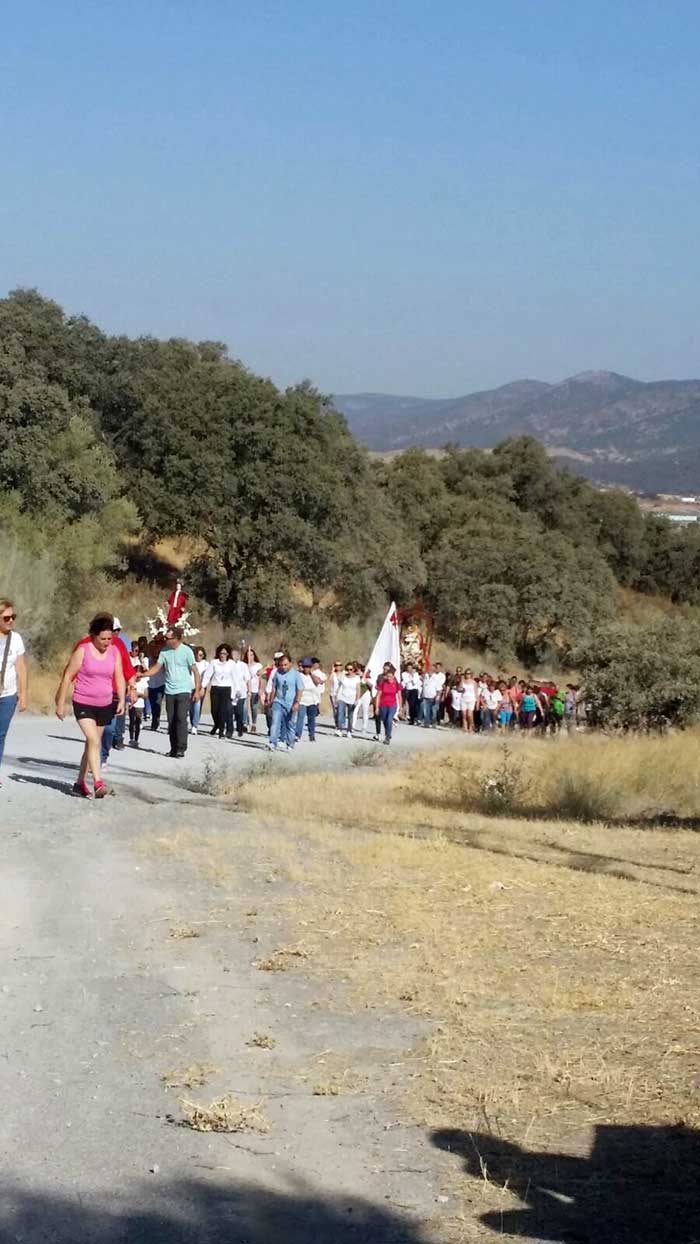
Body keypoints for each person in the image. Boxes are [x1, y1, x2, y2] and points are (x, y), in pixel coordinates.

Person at [55, 613, 125, 798]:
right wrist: (60, 703)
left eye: (110, 638)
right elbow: (68, 676)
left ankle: (79, 783)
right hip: (83, 702)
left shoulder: (114, 652)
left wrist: (123, 700)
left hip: (105, 704)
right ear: (93, 636)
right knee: (94, 741)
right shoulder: (83, 650)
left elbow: (119, 676)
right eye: (102, 639)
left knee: (91, 745)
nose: (107, 642)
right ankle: (98, 783)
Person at [144, 627, 202, 758]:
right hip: (169, 690)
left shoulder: (186, 651)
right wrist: (143, 674)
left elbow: (195, 672)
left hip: (183, 689)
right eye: (166, 638)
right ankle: (174, 748)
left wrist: (197, 690)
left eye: (169, 638)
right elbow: (157, 668)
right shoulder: (164, 651)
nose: (166, 640)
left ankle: (181, 748)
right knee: (171, 720)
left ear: (177, 638)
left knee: (181, 718)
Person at [0, 599, 28, 786]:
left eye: (13, 617)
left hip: (8, 695)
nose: (11, 621)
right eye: (6, 617)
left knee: (0, 735)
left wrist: (23, 693)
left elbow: (21, 667)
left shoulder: (15, 638)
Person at [267, 652, 304, 752]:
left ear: (290, 664)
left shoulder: (296, 674)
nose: (283, 667)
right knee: (275, 721)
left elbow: (300, 689)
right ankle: (272, 743)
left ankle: (290, 744)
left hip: (291, 703)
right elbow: (274, 687)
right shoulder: (277, 673)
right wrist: (271, 700)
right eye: (281, 665)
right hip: (278, 701)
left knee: (290, 724)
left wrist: (297, 702)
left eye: (285, 665)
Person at [207, 644, 235, 738]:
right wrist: (202, 686)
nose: (222, 655)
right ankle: (217, 724)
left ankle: (221, 731)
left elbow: (235, 677)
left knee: (223, 710)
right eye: (221, 653)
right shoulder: (214, 662)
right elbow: (208, 675)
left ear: (228, 654)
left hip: (226, 688)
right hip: (215, 687)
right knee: (214, 710)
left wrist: (236, 690)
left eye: (225, 653)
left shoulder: (231, 663)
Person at [295, 657, 323, 742]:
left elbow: (318, 682)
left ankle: (312, 735)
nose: (307, 668)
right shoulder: (299, 676)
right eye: (305, 667)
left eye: (308, 667)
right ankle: (297, 735)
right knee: (300, 718)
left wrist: (311, 674)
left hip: (312, 700)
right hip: (302, 700)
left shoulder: (314, 675)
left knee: (311, 719)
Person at [374, 662, 402, 744]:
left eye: (391, 677)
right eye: (388, 677)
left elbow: (399, 695)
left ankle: (387, 737)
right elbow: (378, 695)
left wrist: (400, 707)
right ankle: (388, 733)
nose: (389, 678)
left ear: (393, 676)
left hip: (392, 704)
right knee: (385, 720)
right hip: (383, 704)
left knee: (389, 719)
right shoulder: (383, 683)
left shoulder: (396, 684)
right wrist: (377, 707)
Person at [229, 649, 251, 738]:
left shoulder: (243, 665)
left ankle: (240, 727)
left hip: (241, 692)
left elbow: (248, 679)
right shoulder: (228, 664)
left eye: (236, 655)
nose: (234, 657)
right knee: (229, 712)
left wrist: (249, 690)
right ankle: (229, 730)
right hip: (230, 691)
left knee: (239, 712)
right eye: (232, 655)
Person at [336, 662, 360, 737]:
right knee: (340, 713)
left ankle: (349, 730)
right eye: (347, 669)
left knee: (350, 715)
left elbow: (358, 689)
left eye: (350, 669)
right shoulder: (343, 677)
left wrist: (357, 699)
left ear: (353, 670)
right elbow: (340, 687)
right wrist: (337, 697)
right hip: (343, 697)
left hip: (352, 699)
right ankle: (339, 729)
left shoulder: (357, 678)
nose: (349, 671)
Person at [190, 646, 210, 734]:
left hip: (200, 688)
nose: (199, 657)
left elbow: (208, 677)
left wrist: (203, 687)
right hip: (190, 687)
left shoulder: (206, 664)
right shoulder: (191, 663)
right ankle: (192, 722)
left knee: (197, 706)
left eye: (201, 655)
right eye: (197, 655)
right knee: (191, 708)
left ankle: (195, 726)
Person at [244, 646, 263, 733]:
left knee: (254, 707)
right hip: (245, 688)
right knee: (244, 707)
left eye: (252, 655)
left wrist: (260, 689)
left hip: (255, 688)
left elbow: (260, 678)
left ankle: (254, 724)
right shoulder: (244, 665)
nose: (250, 657)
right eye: (248, 655)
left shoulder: (258, 665)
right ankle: (245, 723)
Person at [421, 662, 445, 728]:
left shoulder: (436, 678)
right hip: (426, 697)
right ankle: (427, 723)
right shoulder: (425, 677)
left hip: (433, 697)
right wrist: (422, 694)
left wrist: (437, 697)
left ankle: (434, 723)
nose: (430, 670)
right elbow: (423, 686)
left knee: (433, 711)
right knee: (426, 711)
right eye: (429, 669)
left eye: (431, 669)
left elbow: (439, 689)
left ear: (433, 670)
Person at [129, 669, 149, 747]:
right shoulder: (131, 681)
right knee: (131, 721)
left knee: (137, 721)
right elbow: (127, 692)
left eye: (139, 675)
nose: (138, 677)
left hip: (140, 704)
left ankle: (136, 739)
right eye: (136, 675)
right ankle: (131, 738)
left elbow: (146, 695)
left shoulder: (144, 683)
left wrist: (139, 694)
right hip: (131, 703)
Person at [354, 666, 374, 736]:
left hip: (366, 695)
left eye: (359, 671)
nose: (357, 672)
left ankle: (364, 727)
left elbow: (371, 686)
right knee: (355, 710)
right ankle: (352, 726)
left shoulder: (368, 678)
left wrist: (365, 679)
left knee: (365, 711)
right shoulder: (356, 678)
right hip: (358, 695)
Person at [329, 661, 343, 729]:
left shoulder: (344, 674)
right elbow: (330, 680)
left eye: (339, 665)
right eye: (336, 665)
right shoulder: (333, 674)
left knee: (340, 709)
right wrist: (332, 670)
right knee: (335, 710)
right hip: (333, 694)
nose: (338, 666)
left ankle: (341, 723)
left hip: (341, 694)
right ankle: (337, 723)